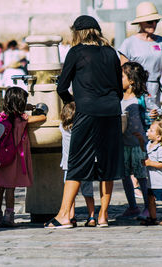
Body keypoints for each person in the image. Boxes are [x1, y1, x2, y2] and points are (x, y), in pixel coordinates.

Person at [45, 15, 124, 229]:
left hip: (87, 111)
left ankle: (63, 215)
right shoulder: (110, 52)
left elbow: (62, 86)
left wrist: (73, 101)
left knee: (77, 163)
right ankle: (103, 216)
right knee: (107, 165)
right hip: (111, 111)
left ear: (77, 32)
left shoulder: (76, 52)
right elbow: (119, 87)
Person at [0, 87, 46, 227]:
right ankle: (9, 217)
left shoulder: (3, 116)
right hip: (12, 159)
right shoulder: (22, 119)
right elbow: (42, 118)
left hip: (1, 158)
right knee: (10, 188)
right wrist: (41, 110)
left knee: (0, 187)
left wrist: (24, 106)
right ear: (21, 103)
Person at [118, 2, 162, 125]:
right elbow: (123, 75)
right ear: (140, 22)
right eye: (150, 21)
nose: (153, 24)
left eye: (156, 21)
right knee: (136, 130)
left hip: (154, 94)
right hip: (135, 95)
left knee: (155, 128)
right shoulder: (128, 44)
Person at [120, 62, 151, 220]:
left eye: (122, 76)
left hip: (139, 144)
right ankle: (132, 206)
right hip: (123, 143)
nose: (119, 78)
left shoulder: (141, 98)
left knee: (141, 177)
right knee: (125, 176)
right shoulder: (118, 96)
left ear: (131, 80)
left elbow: (153, 115)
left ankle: (148, 206)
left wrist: (154, 116)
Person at [59, 102, 95, 227]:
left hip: (68, 166)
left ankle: (70, 217)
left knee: (70, 194)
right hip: (84, 164)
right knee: (88, 193)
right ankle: (91, 217)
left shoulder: (62, 127)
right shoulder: (82, 128)